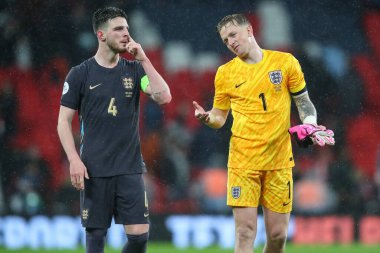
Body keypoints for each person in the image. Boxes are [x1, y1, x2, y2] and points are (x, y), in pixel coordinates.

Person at [193, 14, 334, 253]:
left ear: (249, 30)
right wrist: (208, 118)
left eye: (233, 35)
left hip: (279, 161)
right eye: (225, 40)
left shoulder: (285, 62)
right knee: (245, 231)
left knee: (278, 236)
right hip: (243, 162)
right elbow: (219, 118)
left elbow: (304, 102)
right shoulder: (225, 73)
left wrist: (310, 123)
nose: (230, 42)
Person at [57, 7, 171, 253]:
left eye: (127, 29)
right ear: (101, 35)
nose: (126, 34)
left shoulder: (135, 70)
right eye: (118, 29)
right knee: (96, 238)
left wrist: (144, 58)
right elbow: (63, 121)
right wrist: (74, 159)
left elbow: (164, 97)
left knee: (139, 237)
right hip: (94, 169)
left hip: (129, 167)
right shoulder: (80, 74)